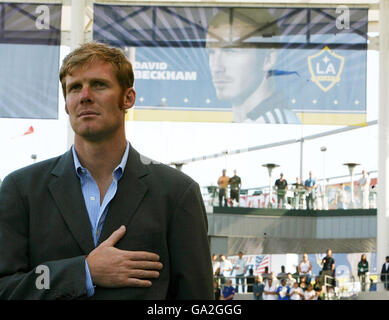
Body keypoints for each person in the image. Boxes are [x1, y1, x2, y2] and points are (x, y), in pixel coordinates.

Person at [0, 42, 214, 300]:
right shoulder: (21, 189)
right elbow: (5, 288)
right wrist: (84, 272)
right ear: (67, 104)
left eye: (99, 85)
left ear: (128, 98)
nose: (85, 95)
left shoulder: (177, 193)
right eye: (74, 87)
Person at [206, 9, 301, 124]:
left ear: (268, 59)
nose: (216, 67)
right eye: (211, 52)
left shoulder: (273, 125)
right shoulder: (253, 124)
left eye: (230, 51)